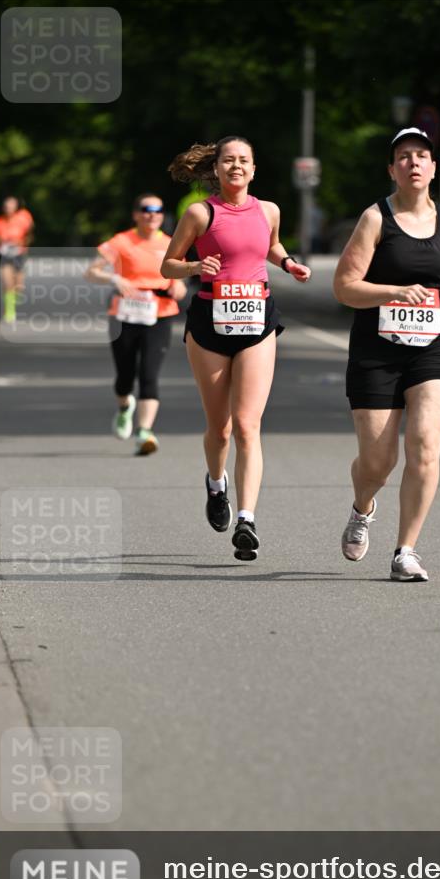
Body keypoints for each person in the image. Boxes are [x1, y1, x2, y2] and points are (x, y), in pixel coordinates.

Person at [333, 127, 440, 582]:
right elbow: (345, 287)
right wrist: (396, 292)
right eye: (404, 157)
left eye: (422, 156)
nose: (414, 163)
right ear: (392, 170)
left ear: (434, 168)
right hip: (377, 352)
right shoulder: (375, 219)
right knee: (378, 463)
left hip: (435, 349)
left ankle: (406, 550)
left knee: (424, 443)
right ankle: (363, 508)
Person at [161, 135, 311, 561]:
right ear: (217, 169)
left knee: (247, 425)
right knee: (220, 428)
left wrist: (287, 263)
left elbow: (271, 245)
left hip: (257, 321)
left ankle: (247, 519)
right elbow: (167, 264)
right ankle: (215, 483)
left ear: (253, 168)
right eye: (229, 161)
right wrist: (194, 265)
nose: (236, 167)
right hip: (210, 322)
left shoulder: (268, 210)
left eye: (244, 160)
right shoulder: (199, 213)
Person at [86, 194, 187, 455]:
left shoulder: (171, 243)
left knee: (149, 374)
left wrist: (178, 287)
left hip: (160, 314)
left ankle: (144, 432)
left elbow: (182, 279)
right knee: (125, 376)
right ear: (135, 214)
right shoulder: (121, 242)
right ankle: (123, 407)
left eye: (157, 210)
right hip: (124, 316)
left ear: (162, 215)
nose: (151, 215)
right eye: (145, 210)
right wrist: (114, 280)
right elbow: (91, 272)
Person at [0, 196, 34, 322]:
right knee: (7, 282)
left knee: (18, 286)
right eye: (6, 206)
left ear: (16, 206)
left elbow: (30, 233)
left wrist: (23, 243)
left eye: (11, 205)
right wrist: (1, 243)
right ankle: (10, 311)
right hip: (4, 255)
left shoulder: (24, 217)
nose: (8, 208)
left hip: (19, 253)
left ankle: (16, 293)